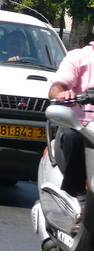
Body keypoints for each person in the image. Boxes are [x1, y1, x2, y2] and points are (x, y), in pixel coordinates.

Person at [48, 40, 94, 200]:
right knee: (74, 137)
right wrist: (62, 94)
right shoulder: (79, 57)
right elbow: (58, 87)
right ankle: (78, 196)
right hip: (80, 127)